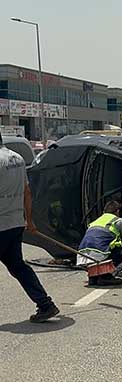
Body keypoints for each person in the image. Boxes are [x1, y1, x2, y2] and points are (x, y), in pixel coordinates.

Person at [0, 134, 60, 322]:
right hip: (15, 223)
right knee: (18, 266)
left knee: (18, 267)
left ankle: (45, 304)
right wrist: (29, 219)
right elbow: (27, 191)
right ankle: (45, 304)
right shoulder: (16, 158)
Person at [78, 200, 122, 286]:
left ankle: (93, 278)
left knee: (101, 251)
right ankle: (107, 276)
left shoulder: (95, 221)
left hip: (81, 257)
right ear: (117, 211)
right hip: (100, 255)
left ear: (104, 212)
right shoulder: (119, 221)